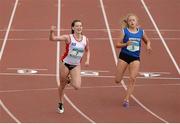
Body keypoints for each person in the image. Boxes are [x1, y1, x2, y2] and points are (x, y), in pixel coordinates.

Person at [49, 20, 90, 113]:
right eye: (77, 26)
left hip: (76, 65)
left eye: (81, 26)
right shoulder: (68, 38)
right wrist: (51, 32)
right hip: (65, 63)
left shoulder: (85, 39)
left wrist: (87, 60)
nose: (79, 27)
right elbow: (52, 39)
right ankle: (60, 102)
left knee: (77, 86)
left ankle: (69, 79)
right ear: (73, 28)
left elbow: (88, 50)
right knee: (62, 85)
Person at [115, 13, 152, 108]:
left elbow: (147, 40)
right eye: (130, 20)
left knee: (132, 79)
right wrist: (126, 44)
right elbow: (117, 44)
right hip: (124, 56)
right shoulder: (124, 31)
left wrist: (148, 46)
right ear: (127, 22)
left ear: (136, 22)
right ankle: (120, 77)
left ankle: (126, 99)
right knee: (117, 80)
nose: (132, 22)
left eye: (133, 20)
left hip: (135, 57)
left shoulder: (141, 32)